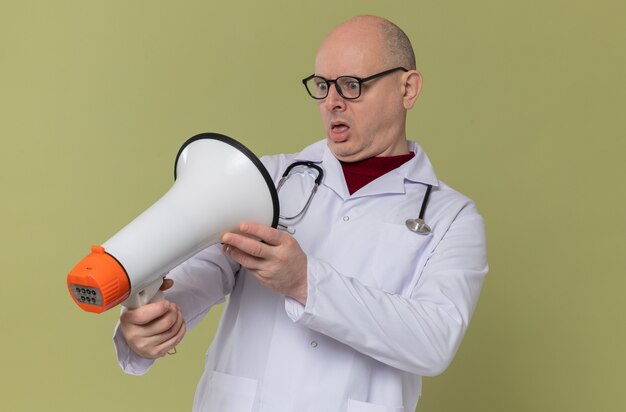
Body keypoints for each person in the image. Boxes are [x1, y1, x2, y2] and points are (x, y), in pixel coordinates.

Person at [114, 15, 488, 412]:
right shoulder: (264, 180)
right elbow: (192, 280)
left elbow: (434, 341)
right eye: (323, 85)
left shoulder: (453, 218)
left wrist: (305, 281)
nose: (332, 102)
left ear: (407, 88)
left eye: (352, 85)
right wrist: (147, 327)